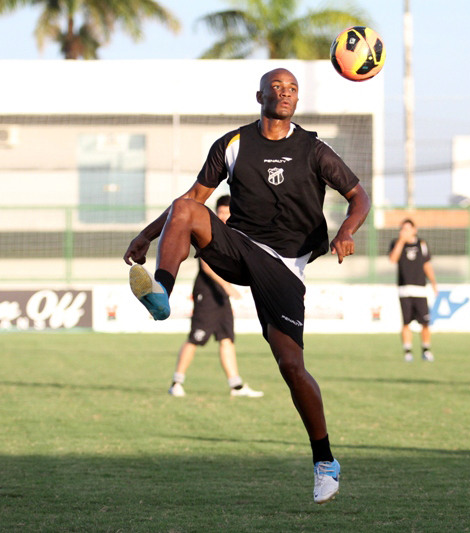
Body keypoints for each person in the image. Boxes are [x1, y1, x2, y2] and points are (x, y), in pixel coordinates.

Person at [123, 67, 370, 504]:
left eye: (292, 88)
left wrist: (347, 230)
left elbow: (359, 195)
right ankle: (161, 292)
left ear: (298, 98)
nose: (285, 93)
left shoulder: (314, 148)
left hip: (286, 266)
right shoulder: (233, 144)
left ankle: (325, 460)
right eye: (277, 87)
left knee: (291, 366)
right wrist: (147, 234)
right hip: (239, 247)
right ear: (260, 95)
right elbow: (194, 199)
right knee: (186, 206)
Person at [169, 195, 263, 398]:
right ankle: (176, 382)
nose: (224, 216)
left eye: (228, 212)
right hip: (207, 291)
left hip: (221, 294)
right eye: (221, 211)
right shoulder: (208, 229)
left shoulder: (233, 232)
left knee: (227, 338)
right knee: (195, 338)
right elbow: (207, 264)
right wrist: (228, 287)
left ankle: (236, 386)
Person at [388, 218, 438, 362]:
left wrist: (433, 282)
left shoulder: (422, 244)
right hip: (404, 290)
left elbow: (427, 265)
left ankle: (426, 350)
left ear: (414, 230)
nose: (405, 231)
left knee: (425, 323)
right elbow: (393, 259)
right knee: (406, 323)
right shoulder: (396, 243)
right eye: (402, 229)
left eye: (408, 228)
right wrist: (401, 241)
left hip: (420, 289)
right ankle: (408, 351)